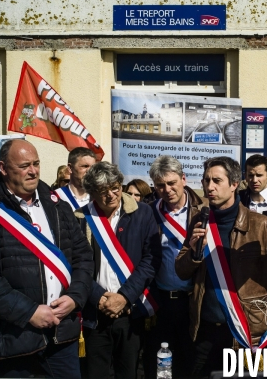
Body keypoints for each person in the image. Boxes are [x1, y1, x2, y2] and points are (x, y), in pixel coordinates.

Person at [0, 139, 94, 378]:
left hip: (62, 333)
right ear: (3, 168)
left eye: (36, 164)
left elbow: (83, 256)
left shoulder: (58, 206)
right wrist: (29, 312)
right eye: (24, 165)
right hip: (13, 338)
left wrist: (75, 298)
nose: (33, 171)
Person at [175, 156, 267, 376]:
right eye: (206, 180)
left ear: (235, 184)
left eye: (217, 180)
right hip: (205, 330)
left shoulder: (260, 224)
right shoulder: (199, 219)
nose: (209, 187)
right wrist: (195, 253)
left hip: (246, 332)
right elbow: (181, 270)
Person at [76, 162, 160, 379]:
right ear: (92, 192)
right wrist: (99, 298)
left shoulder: (142, 213)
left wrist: (124, 297)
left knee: (128, 372)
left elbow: (151, 259)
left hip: (129, 311)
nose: (111, 195)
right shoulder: (80, 218)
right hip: (96, 312)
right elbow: (75, 265)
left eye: (115, 187)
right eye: (104, 191)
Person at [142, 155, 208, 378]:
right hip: (161, 301)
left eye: (172, 183)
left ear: (183, 179)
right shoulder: (149, 212)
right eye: (160, 185)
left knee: (190, 363)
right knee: (159, 365)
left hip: (195, 301)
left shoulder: (204, 210)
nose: (167, 189)